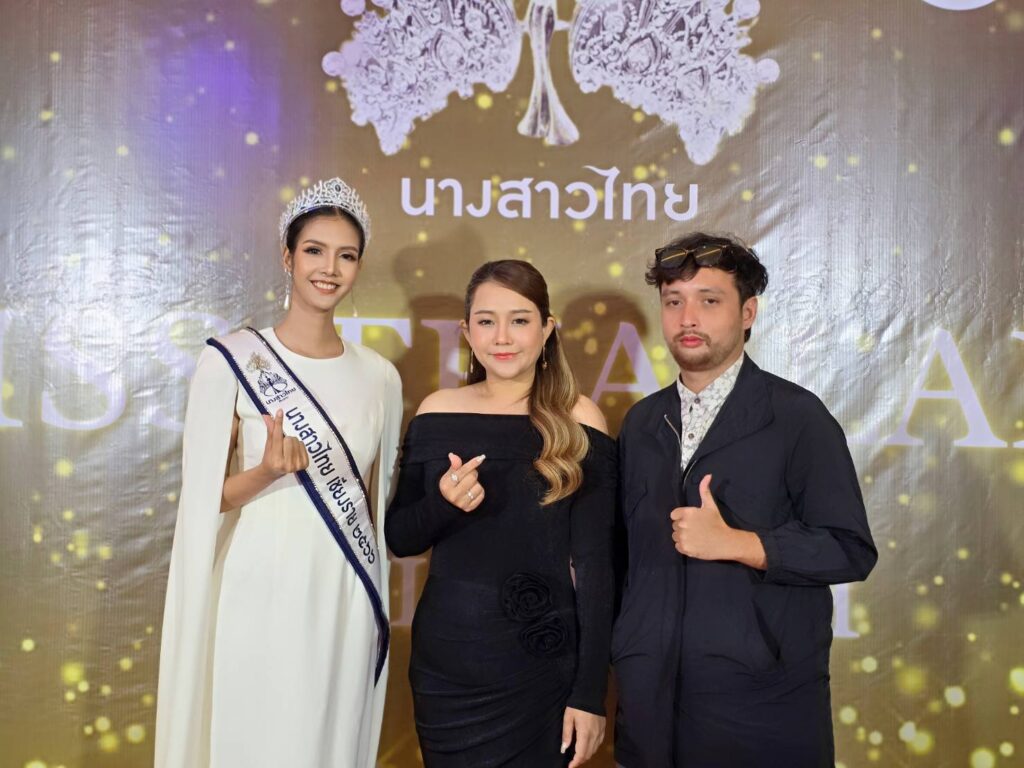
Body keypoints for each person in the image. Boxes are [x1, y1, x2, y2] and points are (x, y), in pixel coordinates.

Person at [155, 178, 402, 768]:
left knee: (321, 738)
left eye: (346, 255)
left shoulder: (380, 376)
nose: (329, 269)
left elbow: (379, 506)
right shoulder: (231, 360)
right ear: (288, 257)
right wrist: (266, 471)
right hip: (257, 579)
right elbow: (204, 500)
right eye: (315, 250)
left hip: (341, 586)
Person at [612, 233, 878, 768]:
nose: (688, 318)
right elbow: (624, 560)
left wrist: (739, 543)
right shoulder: (642, 423)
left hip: (761, 710)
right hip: (649, 707)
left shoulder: (797, 417)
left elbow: (849, 549)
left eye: (709, 301)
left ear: (748, 312)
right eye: (673, 302)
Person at [385, 260, 616, 767]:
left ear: (547, 329)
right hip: (445, 665)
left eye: (520, 320)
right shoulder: (436, 411)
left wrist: (588, 693)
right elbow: (400, 538)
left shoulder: (579, 418)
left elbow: (597, 568)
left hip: (540, 670)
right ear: (467, 331)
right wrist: (443, 504)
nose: (502, 337)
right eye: (487, 321)